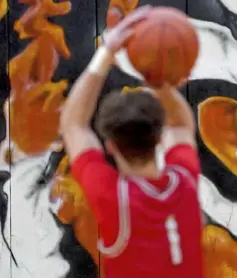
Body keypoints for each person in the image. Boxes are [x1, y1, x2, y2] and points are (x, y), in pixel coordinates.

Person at [60, 5, 203, 278]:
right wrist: (157, 79)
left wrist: (107, 52)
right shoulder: (184, 181)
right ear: (160, 139)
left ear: (111, 145)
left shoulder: (115, 199)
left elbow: (73, 123)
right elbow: (182, 125)